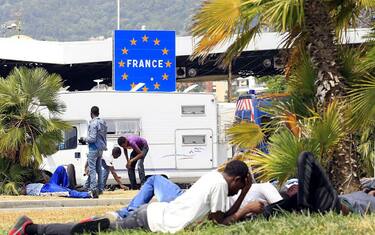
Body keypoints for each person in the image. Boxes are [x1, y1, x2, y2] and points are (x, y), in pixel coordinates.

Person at [9, 160, 255, 234]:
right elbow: (218, 222)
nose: (238, 190)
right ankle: (30, 229)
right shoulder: (222, 186)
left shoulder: (214, 176)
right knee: (86, 231)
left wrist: (242, 191)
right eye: (240, 186)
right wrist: (245, 203)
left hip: (150, 215)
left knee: (96, 228)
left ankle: (33, 229)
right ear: (237, 180)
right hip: (151, 219)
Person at [263, 152, 375, 218]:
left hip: (339, 206)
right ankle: (301, 205)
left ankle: (304, 207)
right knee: (272, 209)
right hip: (329, 200)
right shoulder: (366, 191)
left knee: (306, 157)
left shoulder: (370, 202)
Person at [79, 106, 107, 194]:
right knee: (99, 169)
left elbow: (92, 138)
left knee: (92, 169)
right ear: (98, 113)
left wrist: (84, 139)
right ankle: (100, 188)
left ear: (91, 113)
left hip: (93, 148)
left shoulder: (93, 123)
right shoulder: (103, 122)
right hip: (101, 148)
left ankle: (93, 189)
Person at [25, 165, 96, 199]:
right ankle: (88, 194)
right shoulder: (20, 187)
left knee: (60, 168)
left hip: (47, 184)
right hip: (44, 190)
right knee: (66, 191)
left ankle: (67, 187)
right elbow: (21, 191)